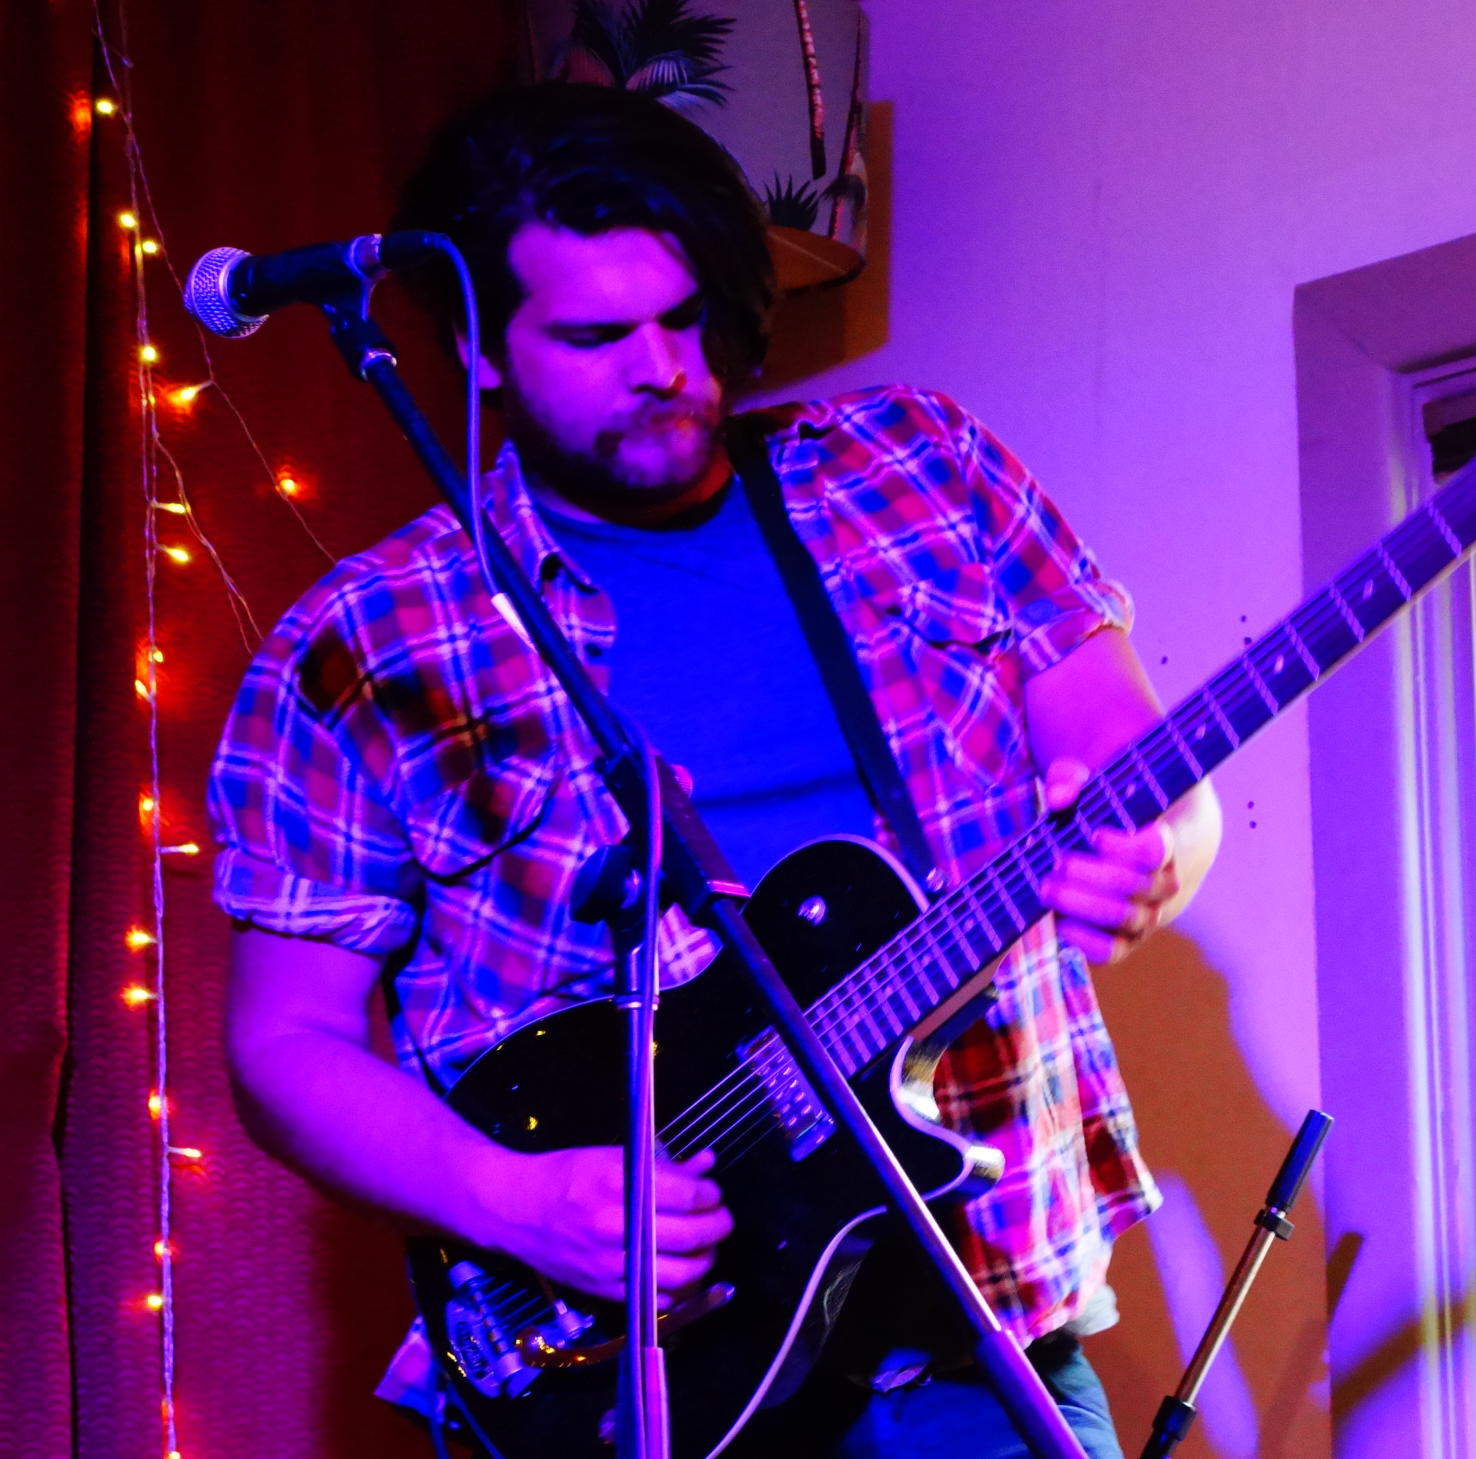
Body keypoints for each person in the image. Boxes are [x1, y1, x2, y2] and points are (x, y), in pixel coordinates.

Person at [206, 83, 1219, 1458]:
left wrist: (1157, 862)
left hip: (980, 1324)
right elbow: (285, 1043)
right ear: (478, 348)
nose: (661, 368)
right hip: (631, 1378)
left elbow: (1144, 782)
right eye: (593, 335)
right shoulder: (364, 643)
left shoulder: (919, 468)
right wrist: (514, 1202)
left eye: (685, 319)